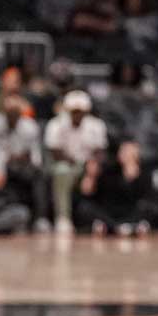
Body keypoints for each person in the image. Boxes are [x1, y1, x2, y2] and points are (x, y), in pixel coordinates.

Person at [44, 90, 110, 234]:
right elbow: (55, 152)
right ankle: (63, 217)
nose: (78, 115)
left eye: (81, 111)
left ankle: (106, 219)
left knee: (107, 170)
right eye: (74, 111)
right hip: (68, 165)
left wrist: (91, 171)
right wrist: (75, 161)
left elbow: (100, 152)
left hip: (89, 165)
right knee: (62, 171)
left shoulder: (96, 125)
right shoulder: (56, 124)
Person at [0, 95, 48, 228]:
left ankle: (41, 218)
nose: (12, 116)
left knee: (39, 176)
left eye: (15, 112)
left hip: (20, 168)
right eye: (9, 112)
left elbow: (36, 159)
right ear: (3, 111)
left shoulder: (30, 127)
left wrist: (23, 160)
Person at [75, 141, 158, 237]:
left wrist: (133, 177)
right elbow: (89, 192)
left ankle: (122, 226)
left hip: (132, 212)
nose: (123, 154)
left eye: (127, 152)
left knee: (152, 208)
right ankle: (121, 227)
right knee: (85, 207)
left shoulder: (145, 172)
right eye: (122, 151)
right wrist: (91, 176)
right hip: (110, 212)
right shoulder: (110, 170)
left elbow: (148, 197)